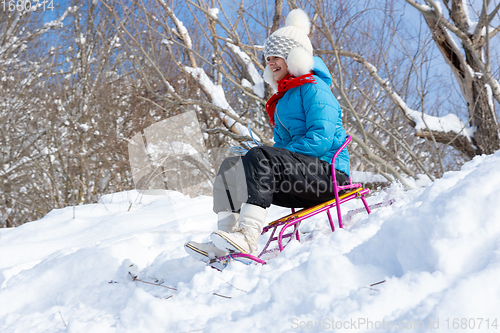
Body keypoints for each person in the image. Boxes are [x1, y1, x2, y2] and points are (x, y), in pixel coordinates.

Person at [184, 8, 350, 267]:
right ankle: (224, 240)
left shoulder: (316, 90)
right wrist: (257, 159)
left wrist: (269, 156)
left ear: (294, 57)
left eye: (277, 57)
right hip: (303, 178)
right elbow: (282, 149)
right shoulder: (284, 99)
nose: (270, 63)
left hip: (329, 177)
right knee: (232, 167)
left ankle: (248, 236)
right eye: (268, 58)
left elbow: (321, 140)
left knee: (260, 156)